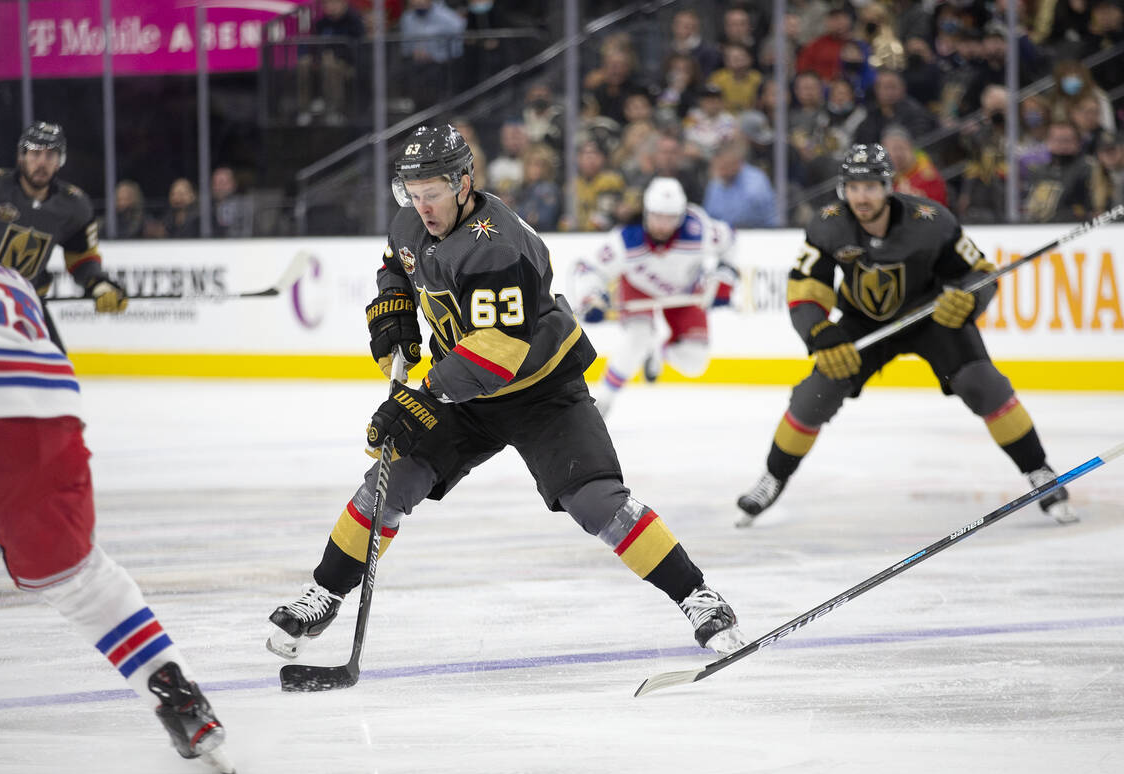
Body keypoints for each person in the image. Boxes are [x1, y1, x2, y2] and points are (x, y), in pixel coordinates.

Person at [266, 125, 745, 660]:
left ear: (464, 182)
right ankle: (326, 592)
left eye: (434, 194)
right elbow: (395, 267)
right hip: (463, 394)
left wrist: (421, 397)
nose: (422, 207)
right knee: (389, 482)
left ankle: (698, 597)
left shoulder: (498, 246)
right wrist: (393, 316)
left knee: (596, 502)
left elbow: (497, 351)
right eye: (413, 193)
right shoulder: (411, 220)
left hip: (541, 391)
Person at [0, 166, 232, 774]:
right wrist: (1, 500)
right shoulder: (11, 279)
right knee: (84, 582)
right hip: (45, 434)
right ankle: (176, 691)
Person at [734, 144, 1079, 528]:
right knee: (815, 394)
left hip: (931, 318)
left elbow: (978, 273)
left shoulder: (931, 222)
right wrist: (819, 333)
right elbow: (805, 288)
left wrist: (968, 302)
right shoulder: (828, 225)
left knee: (983, 384)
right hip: (863, 321)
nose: (861, 196)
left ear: (888, 186)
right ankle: (773, 477)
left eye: (870, 186)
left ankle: (1041, 472)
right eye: (853, 187)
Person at [571, 177, 738, 417]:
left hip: (685, 292)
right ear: (647, 212)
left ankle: (656, 353)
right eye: (657, 216)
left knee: (694, 363)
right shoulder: (626, 239)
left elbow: (730, 241)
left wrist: (725, 277)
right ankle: (603, 401)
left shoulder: (699, 230)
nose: (662, 225)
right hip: (639, 287)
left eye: (670, 218)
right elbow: (590, 269)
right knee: (637, 338)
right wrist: (592, 297)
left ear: (681, 215)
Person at [0, 121, 128, 352]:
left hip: (28, 303)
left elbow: (82, 257)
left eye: (50, 154)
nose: (42, 162)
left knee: (59, 378)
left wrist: (98, 283)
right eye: (35, 153)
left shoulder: (74, 206)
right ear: (22, 156)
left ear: (60, 161)